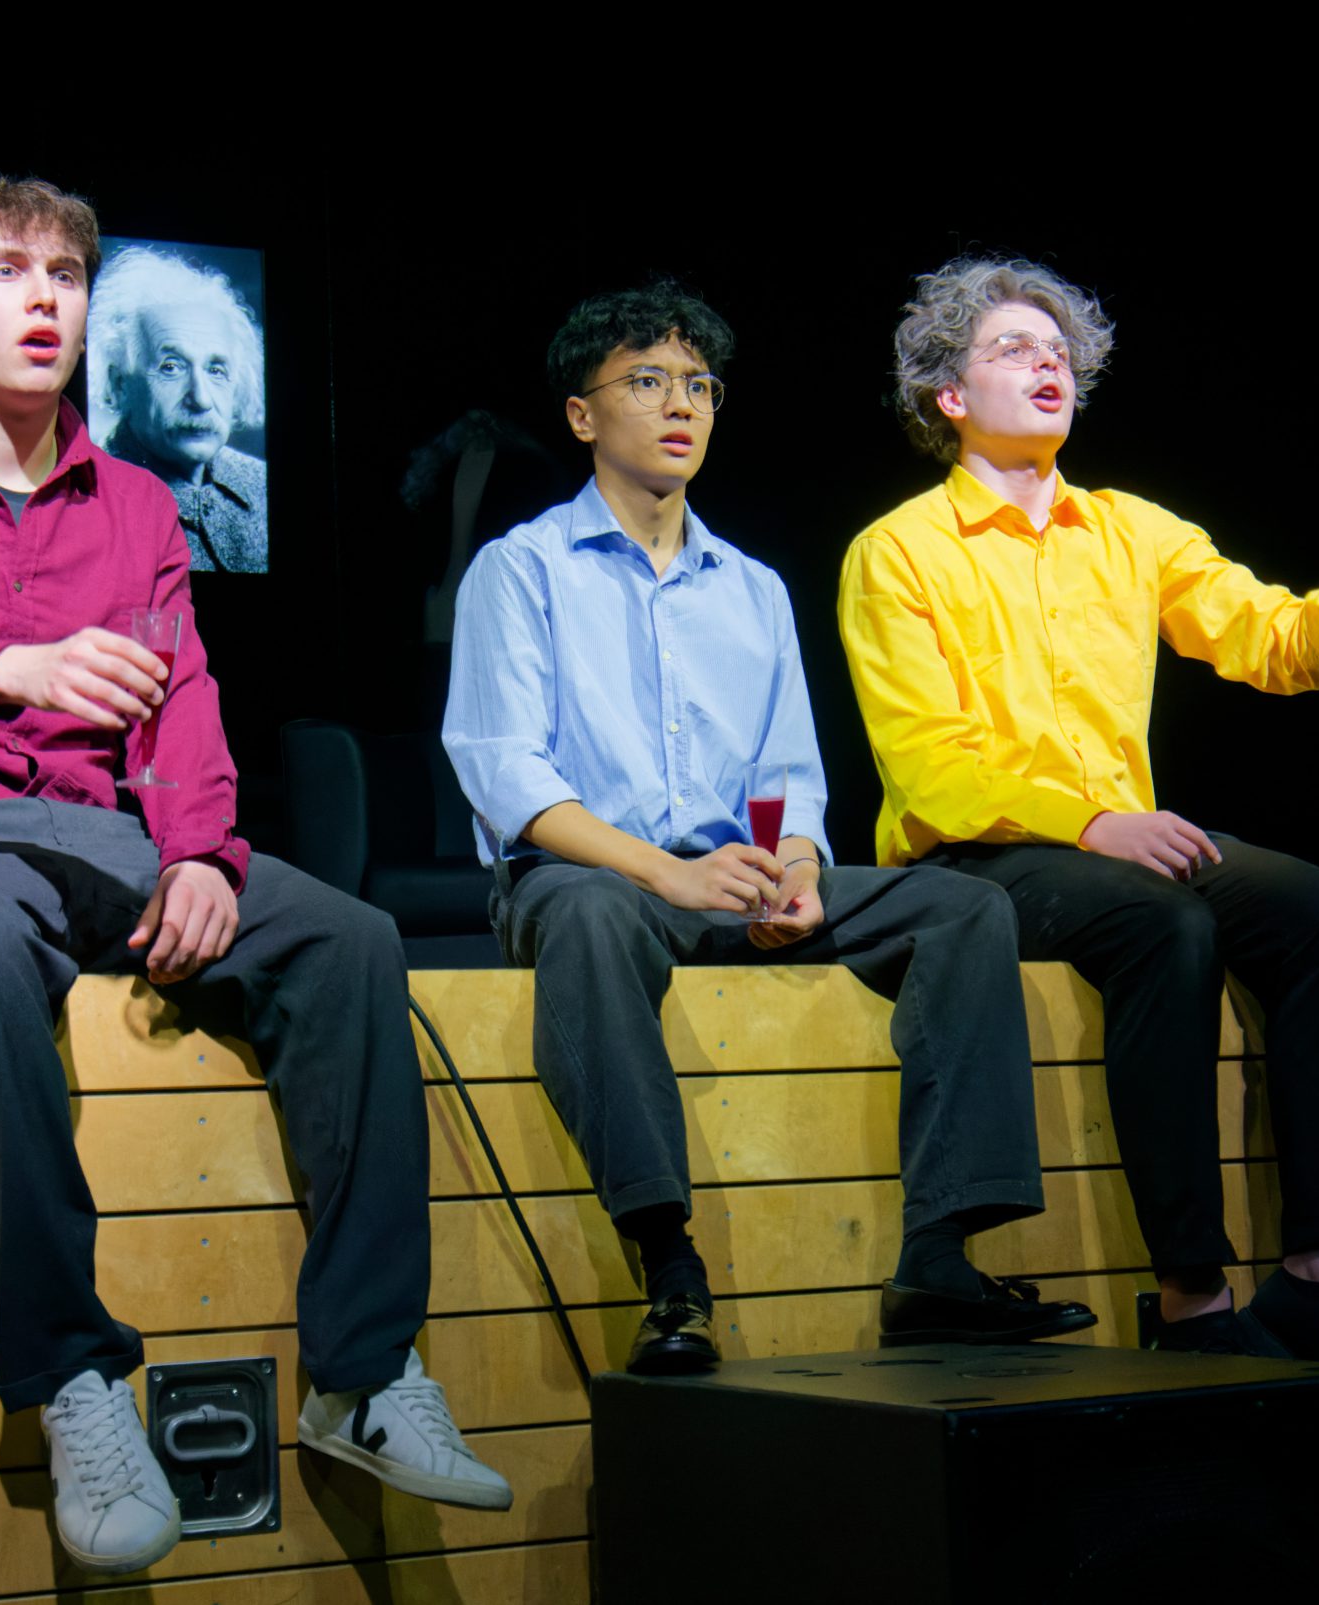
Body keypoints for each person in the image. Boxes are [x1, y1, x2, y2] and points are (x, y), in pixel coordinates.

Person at [0, 177, 508, 1577]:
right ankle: (74, 1380)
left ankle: (363, 1374)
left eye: (66, 273)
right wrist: (3, 668)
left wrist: (202, 854)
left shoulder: (138, 502)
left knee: (348, 939)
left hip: (86, 834)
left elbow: (185, 696)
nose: (44, 296)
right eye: (6, 270)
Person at [444, 283, 1093, 1377]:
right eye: (648, 381)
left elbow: (788, 773)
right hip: (593, 876)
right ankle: (667, 1264)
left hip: (734, 879)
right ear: (582, 415)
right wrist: (668, 876)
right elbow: (507, 773)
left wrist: (795, 869)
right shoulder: (521, 569)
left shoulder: (751, 587)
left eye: (699, 385)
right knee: (591, 915)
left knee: (964, 907)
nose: (680, 405)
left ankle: (938, 1259)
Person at [836, 258, 1319, 1363]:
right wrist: (1092, 822)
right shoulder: (898, 550)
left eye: (1058, 350)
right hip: (977, 860)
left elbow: (1282, 646)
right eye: (1014, 348)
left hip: (1117, 849)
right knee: (1167, 923)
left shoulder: (1129, 530)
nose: (1048, 363)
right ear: (950, 395)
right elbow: (929, 769)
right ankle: (1192, 1298)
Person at [87, 246, 267, 572]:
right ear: (118, 384)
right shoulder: (85, 499)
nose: (201, 399)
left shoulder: (260, 482)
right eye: (171, 367)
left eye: (216, 370)